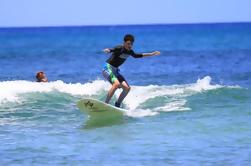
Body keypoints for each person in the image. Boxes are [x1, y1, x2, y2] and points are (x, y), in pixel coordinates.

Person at [102, 34, 160, 107]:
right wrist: (108, 50)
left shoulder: (130, 51)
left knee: (127, 88)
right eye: (128, 44)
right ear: (124, 43)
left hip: (115, 71)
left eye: (131, 44)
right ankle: (105, 104)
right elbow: (112, 49)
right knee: (116, 84)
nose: (130, 46)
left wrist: (151, 54)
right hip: (107, 68)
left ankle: (117, 105)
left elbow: (138, 55)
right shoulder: (120, 48)